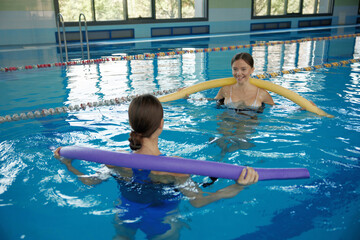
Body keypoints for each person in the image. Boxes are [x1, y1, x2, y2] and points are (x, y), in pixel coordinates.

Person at [54, 94, 259, 240]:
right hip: (163, 219)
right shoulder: (175, 167)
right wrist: (240, 185)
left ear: (131, 125)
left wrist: (68, 164)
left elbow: (89, 181)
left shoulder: (116, 161)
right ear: (161, 124)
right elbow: (199, 201)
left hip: (126, 213)